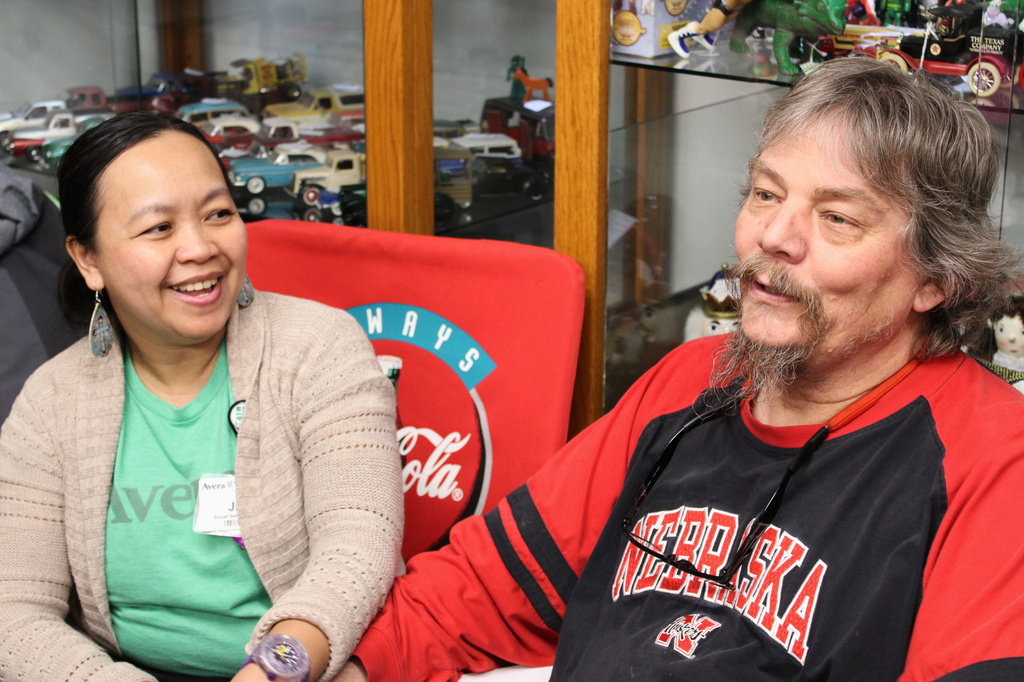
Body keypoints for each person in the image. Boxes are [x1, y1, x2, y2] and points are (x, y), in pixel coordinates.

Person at [337, 58, 1024, 681]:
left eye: (837, 217)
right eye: (765, 194)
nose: (773, 239)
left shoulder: (994, 459)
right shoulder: (692, 378)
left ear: (935, 277)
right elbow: (475, 596)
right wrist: (328, 667)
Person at [0, 112, 403, 682]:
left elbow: (358, 550)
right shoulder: (51, 402)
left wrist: (272, 670)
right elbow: (13, 611)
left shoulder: (320, 348)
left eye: (218, 214)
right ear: (88, 259)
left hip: (308, 669)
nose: (199, 248)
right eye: (159, 228)